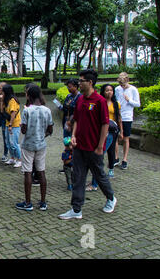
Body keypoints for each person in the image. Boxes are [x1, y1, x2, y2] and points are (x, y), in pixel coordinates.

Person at [58, 69, 117, 220]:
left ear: (90, 82)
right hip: (79, 147)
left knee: (99, 175)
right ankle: (76, 209)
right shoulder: (81, 100)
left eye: (81, 81)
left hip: (94, 148)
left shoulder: (100, 101)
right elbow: (76, 120)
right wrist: (73, 136)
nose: (79, 83)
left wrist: (100, 146)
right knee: (78, 177)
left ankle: (111, 198)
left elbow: (105, 125)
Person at [16, 85, 53, 211]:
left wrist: (23, 126)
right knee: (41, 171)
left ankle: (28, 203)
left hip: (28, 145)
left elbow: (24, 130)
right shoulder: (47, 110)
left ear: (28, 96)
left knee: (27, 172)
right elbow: (50, 129)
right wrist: (41, 135)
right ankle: (43, 202)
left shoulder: (27, 110)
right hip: (41, 145)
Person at [86, 83, 123, 191]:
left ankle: (95, 183)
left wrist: (121, 131)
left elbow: (119, 118)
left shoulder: (116, 104)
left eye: (111, 90)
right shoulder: (99, 102)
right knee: (97, 157)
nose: (109, 92)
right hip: (100, 131)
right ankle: (95, 182)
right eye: (107, 90)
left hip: (111, 132)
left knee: (99, 156)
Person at [115, 72, 140, 170]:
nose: (122, 86)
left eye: (124, 84)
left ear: (127, 81)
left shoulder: (133, 89)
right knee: (116, 138)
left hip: (127, 117)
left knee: (126, 138)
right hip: (118, 116)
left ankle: (124, 159)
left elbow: (138, 104)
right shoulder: (117, 89)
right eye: (121, 85)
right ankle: (116, 157)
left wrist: (129, 100)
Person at [1, 85, 22, 168]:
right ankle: (12, 158)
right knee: (8, 143)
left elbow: (13, 114)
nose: (1, 92)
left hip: (14, 125)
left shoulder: (13, 101)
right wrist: (2, 101)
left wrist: (10, 125)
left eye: (2, 91)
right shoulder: (7, 100)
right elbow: (2, 111)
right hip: (7, 124)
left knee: (14, 143)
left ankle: (20, 159)